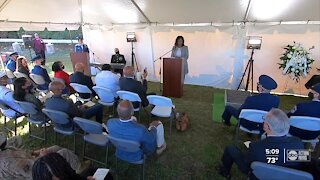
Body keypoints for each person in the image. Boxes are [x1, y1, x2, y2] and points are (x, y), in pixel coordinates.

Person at [216, 108, 304, 179]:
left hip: (258, 175)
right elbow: (301, 164)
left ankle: (225, 172)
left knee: (230, 148)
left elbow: (247, 163)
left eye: (264, 120)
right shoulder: (298, 143)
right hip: (287, 177)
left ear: (267, 126)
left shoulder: (256, 147)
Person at [0, 132, 87, 180]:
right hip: (34, 174)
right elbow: (33, 171)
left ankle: (72, 166)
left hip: (31, 162)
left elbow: (21, 152)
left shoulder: (4, 149)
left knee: (55, 148)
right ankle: (79, 170)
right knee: (64, 153)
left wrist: (35, 152)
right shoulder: (8, 162)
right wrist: (43, 156)